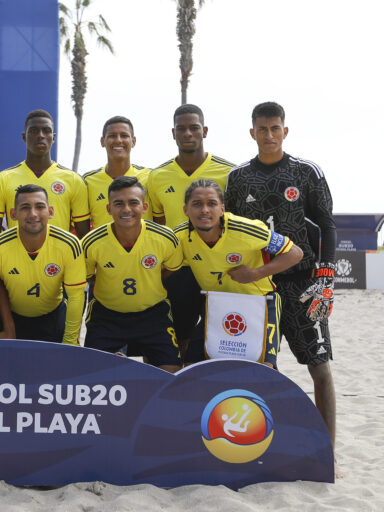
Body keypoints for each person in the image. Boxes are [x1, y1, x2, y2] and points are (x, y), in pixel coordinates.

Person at [225, 101, 336, 447]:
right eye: (262, 129)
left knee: (318, 367)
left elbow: (327, 226)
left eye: (275, 128)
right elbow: (230, 230)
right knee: (259, 370)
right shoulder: (238, 177)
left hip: (303, 283)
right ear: (252, 132)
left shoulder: (307, 172)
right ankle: (261, 444)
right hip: (258, 287)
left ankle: (327, 452)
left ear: (284, 131)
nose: (269, 135)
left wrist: (326, 278)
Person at [176, 179, 304, 368]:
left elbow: (295, 253)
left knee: (263, 371)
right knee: (191, 367)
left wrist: (255, 274)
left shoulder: (246, 229)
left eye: (211, 204)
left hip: (258, 303)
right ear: (186, 210)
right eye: (197, 204)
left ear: (222, 209)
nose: (204, 210)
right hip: (216, 305)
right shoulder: (179, 236)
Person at [146, 104, 235, 354]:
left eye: (194, 128)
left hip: (218, 267)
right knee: (178, 338)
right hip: (178, 269)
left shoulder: (229, 172)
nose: (188, 133)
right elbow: (157, 226)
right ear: (173, 133)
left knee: (221, 338)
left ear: (204, 131)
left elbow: (236, 224)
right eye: (181, 129)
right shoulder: (157, 176)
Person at [81, 176, 183, 372]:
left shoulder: (165, 237)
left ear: (144, 207)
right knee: (91, 375)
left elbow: (170, 270)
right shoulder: (91, 242)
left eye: (133, 203)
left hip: (153, 314)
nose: (126, 209)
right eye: (118, 204)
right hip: (107, 316)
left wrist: (147, 284)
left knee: (171, 374)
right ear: (109, 209)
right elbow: (88, 276)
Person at [0, 184, 87, 344]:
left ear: (50, 212)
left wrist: (69, 341)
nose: (33, 213)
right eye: (25, 207)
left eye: (39, 207)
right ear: (13, 214)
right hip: (12, 316)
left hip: (53, 316)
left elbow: (76, 296)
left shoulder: (69, 244)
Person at [0, 110, 89, 239]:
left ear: (53, 137)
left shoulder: (73, 180)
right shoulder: (3, 179)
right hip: (16, 257)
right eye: (34, 131)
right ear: (24, 137)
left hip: (60, 257)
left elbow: (84, 238)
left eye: (46, 131)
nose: (40, 136)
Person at [83, 116, 153, 229]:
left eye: (124, 136)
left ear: (133, 141)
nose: (118, 140)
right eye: (112, 136)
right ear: (102, 141)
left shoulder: (150, 177)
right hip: (103, 246)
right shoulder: (87, 181)